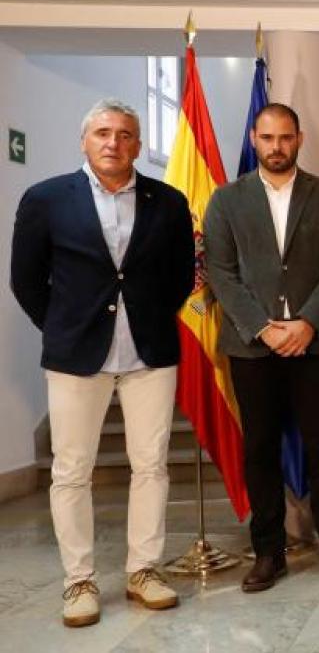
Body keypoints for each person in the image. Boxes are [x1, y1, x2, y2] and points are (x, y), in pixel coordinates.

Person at [10, 99, 193, 627]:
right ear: (85, 140)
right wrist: (64, 327)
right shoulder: (45, 199)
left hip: (150, 353)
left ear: (138, 144)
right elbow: (26, 279)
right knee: (71, 470)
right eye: (104, 133)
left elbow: (180, 275)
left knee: (151, 465)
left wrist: (152, 316)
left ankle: (144, 571)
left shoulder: (169, 201)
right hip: (75, 357)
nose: (114, 142)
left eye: (126, 134)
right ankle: (79, 581)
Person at [204, 102, 319, 591]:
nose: (277, 147)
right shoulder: (226, 200)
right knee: (259, 450)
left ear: (299, 138)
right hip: (252, 347)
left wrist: (306, 323)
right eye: (268, 138)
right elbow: (221, 272)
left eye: (286, 138)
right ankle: (268, 552)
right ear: (254, 138)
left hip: (314, 344)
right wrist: (265, 327)